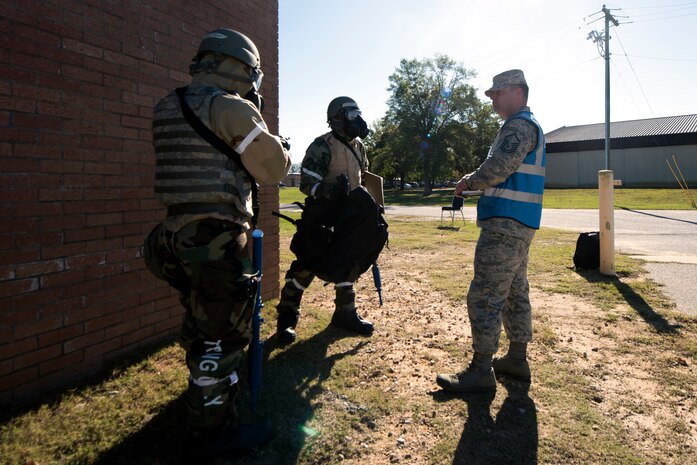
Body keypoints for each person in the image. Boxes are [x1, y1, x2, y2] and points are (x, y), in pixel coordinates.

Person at [143, 28, 291, 459]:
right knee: (220, 338)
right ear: (241, 67)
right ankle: (211, 430)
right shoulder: (230, 107)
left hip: (171, 237)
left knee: (199, 322)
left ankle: (200, 397)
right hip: (214, 238)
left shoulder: (168, 104)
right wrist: (273, 139)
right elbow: (272, 170)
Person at [436, 69, 546, 393]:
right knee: (515, 292)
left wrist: (467, 182)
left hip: (504, 225)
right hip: (519, 224)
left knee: (485, 295)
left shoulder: (520, 126)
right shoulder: (528, 125)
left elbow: (499, 167)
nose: (493, 99)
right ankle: (516, 360)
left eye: (497, 93)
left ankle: (482, 371)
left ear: (517, 92)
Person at [276, 96, 375, 344]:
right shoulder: (322, 146)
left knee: (348, 264)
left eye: (357, 114)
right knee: (307, 265)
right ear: (337, 119)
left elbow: (363, 178)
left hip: (349, 217)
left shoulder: (359, 146)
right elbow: (307, 184)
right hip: (322, 217)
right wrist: (328, 191)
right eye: (351, 115)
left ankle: (345, 314)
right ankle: (286, 319)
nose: (357, 120)